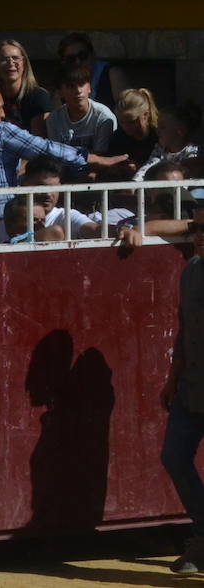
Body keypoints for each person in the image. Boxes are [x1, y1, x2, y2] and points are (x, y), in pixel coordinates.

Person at [0, 80, 124, 229]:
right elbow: (47, 149)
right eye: (1, 107)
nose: (3, 114)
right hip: (3, 225)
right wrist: (96, 159)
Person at [158, 189, 204, 575]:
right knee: (173, 456)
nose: (200, 235)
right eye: (198, 227)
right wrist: (172, 378)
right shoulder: (192, 271)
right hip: (192, 385)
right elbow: (184, 330)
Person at [46, 65, 118, 155]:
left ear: (89, 88)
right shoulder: (53, 119)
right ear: (60, 92)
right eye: (71, 86)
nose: (78, 90)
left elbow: (102, 156)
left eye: (82, 84)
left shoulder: (104, 117)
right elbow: (55, 155)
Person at [0, 39, 51, 132]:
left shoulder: (39, 96)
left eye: (15, 58)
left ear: (24, 63)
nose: (10, 63)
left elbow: (39, 139)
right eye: (3, 59)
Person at [57, 32, 127, 110]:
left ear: (92, 55)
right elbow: (55, 112)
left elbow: (127, 108)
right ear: (63, 62)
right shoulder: (63, 79)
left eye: (82, 56)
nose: (78, 62)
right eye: (71, 59)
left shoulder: (111, 72)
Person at [137, 102, 202, 180]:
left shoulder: (192, 152)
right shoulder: (159, 150)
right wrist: (135, 182)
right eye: (158, 126)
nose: (157, 130)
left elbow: (188, 178)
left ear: (180, 131)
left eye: (162, 127)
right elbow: (147, 168)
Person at [109, 88, 160, 168]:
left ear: (146, 115)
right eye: (121, 122)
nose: (126, 127)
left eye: (131, 122)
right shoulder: (118, 137)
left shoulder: (159, 136)